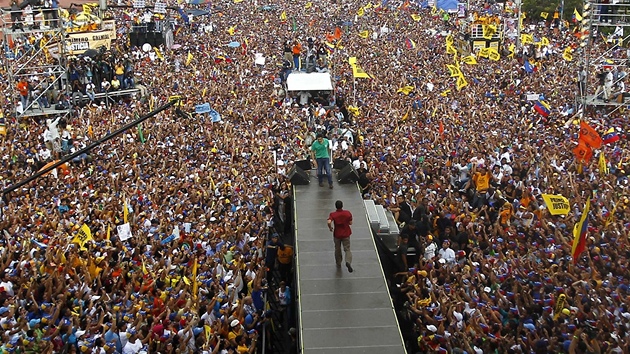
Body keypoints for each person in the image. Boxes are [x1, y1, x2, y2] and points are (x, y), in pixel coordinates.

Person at [327, 200, 353, 272]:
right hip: (346, 233)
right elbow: (350, 223)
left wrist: (330, 227)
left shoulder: (333, 214)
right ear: (342, 205)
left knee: (337, 249)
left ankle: (338, 263)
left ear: (336, 206)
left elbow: (329, 221)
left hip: (337, 234)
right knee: (347, 249)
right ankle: (348, 261)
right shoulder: (347, 213)